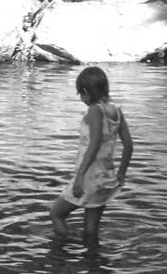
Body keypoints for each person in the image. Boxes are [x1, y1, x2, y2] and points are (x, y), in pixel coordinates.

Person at [50, 66, 133, 248]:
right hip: (105, 179)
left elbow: (94, 144)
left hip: (88, 178)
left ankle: (61, 251)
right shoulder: (117, 110)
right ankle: (93, 265)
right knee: (90, 231)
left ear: (86, 92)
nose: (81, 98)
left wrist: (79, 177)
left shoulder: (95, 110)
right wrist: (121, 173)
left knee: (56, 214)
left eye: (81, 94)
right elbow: (129, 145)